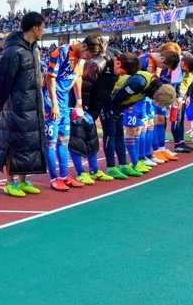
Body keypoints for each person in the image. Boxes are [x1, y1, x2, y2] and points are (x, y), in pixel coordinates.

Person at [0, 12, 47, 197]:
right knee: (12, 143)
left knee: (28, 143)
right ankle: (9, 182)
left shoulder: (34, 49)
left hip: (33, 105)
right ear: (35, 27)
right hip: (15, 107)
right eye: (43, 26)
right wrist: (5, 106)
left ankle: (22, 181)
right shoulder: (13, 52)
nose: (44, 31)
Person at [108, 53, 177, 179]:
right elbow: (116, 98)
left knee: (118, 133)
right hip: (109, 98)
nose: (156, 102)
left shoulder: (152, 85)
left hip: (119, 104)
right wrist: (114, 113)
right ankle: (111, 167)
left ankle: (123, 165)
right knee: (112, 133)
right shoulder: (140, 82)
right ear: (158, 93)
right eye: (157, 100)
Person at [43, 39, 93, 190]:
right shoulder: (62, 52)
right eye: (88, 55)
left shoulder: (81, 58)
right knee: (50, 143)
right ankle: (53, 178)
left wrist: (79, 101)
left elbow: (77, 77)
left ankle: (64, 176)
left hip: (64, 103)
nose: (88, 58)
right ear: (83, 46)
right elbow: (49, 78)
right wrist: (54, 105)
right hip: (50, 103)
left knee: (64, 141)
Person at [80, 34, 119, 182]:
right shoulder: (96, 64)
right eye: (90, 55)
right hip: (75, 105)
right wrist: (81, 105)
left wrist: (92, 111)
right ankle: (77, 172)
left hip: (88, 106)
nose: (89, 57)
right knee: (73, 139)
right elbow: (84, 85)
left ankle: (93, 169)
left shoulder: (106, 62)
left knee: (91, 136)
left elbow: (101, 90)